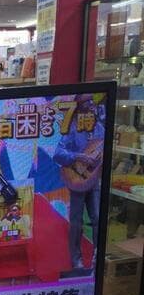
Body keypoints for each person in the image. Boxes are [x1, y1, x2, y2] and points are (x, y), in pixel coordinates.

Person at [53, 94, 105, 270]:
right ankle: (76, 260)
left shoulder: (100, 129)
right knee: (76, 222)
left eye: (92, 103)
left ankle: (98, 255)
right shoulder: (73, 128)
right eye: (86, 103)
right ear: (78, 107)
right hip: (77, 179)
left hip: (94, 180)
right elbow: (58, 153)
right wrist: (78, 156)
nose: (91, 105)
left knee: (97, 218)